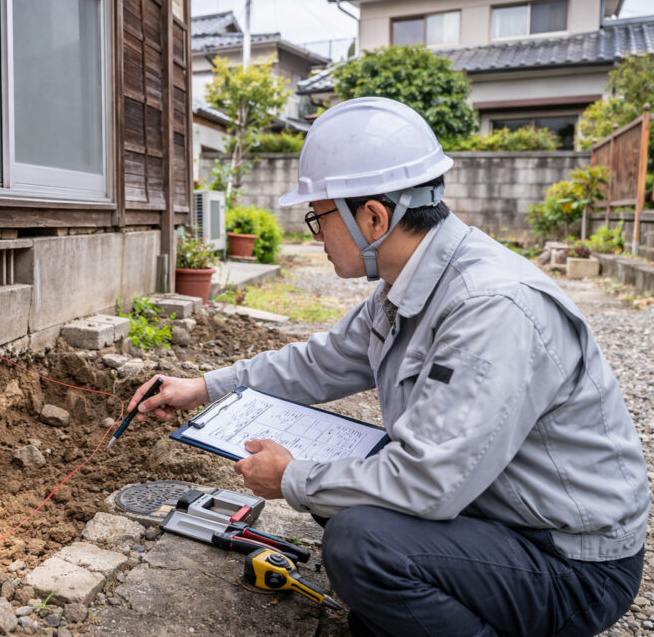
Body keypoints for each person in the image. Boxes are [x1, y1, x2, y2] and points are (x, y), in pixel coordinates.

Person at [129, 97, 649, 636]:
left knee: (358, 541)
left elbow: (428, 484)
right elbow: (318, 363)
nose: (314, 234)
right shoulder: (406, 285)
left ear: (373, 217)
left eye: (319, 217)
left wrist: (291, 477)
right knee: (344, 489)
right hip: (500, 515)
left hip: (570, 562)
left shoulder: (491, 306)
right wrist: (202, 388)